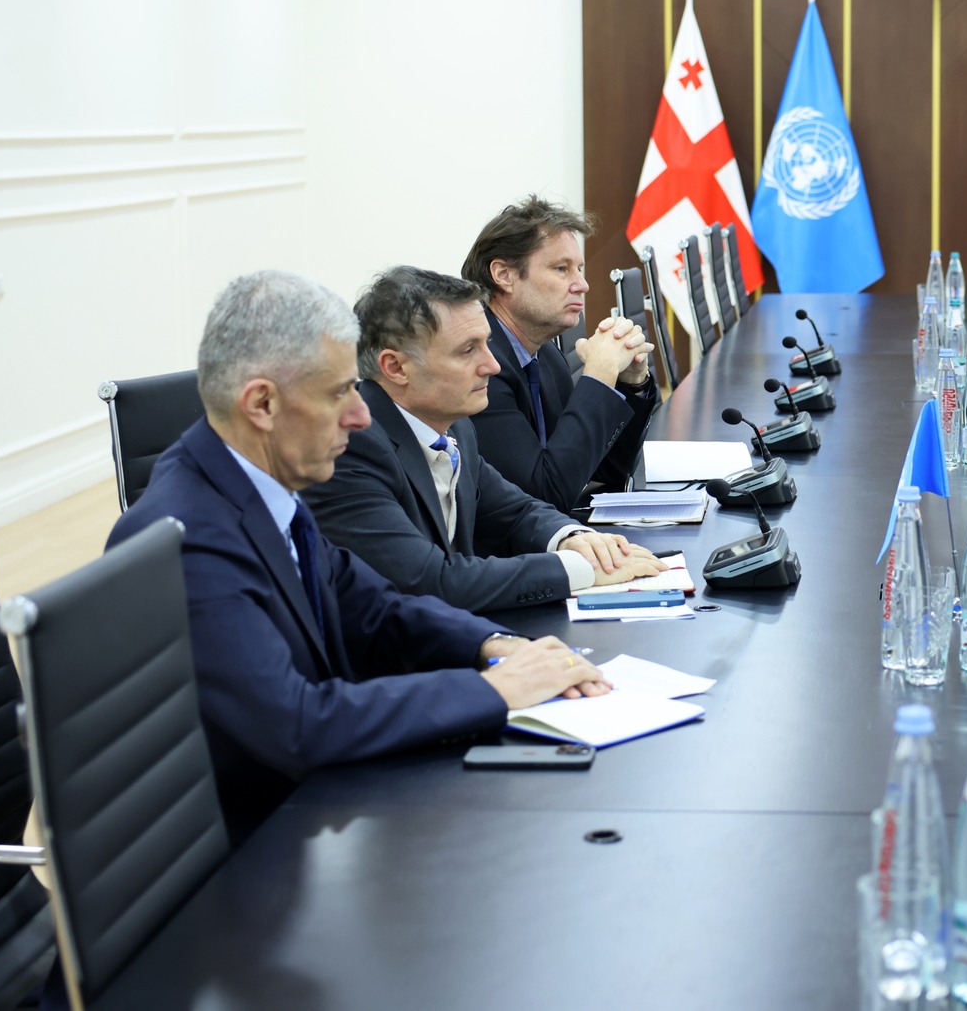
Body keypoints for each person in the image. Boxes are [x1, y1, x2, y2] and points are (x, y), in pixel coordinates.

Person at [106, 271, 613, 841]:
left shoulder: (258, 485)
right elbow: (296, 724)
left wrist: (494, 645)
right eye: (338, 393)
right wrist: (493, 691)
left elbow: (372, 606)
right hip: (249, 850)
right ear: (262, 404)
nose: (361, 414)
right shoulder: (192, 538)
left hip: (312, 808)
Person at [306, 267, 666, 612]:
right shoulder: (351, 447)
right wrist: (580, 569)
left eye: (487, 344)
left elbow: (516, 511)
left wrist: (573, 538)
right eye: (468, 350)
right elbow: (431, 581)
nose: (492, 365)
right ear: (396, 367)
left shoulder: (456, 426)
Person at [461, 197, 660, 512]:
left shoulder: (547, 355)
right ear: (504, 275)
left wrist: (630, 384)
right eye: (561, 269)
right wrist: (598, 376)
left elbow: (605, 471)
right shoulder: (481, 368)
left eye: (579, 269)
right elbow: (542, 493)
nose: (582, 285)